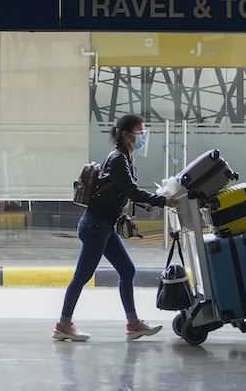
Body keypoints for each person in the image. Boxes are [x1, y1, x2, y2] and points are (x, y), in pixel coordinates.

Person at [54, 113, 178, 342]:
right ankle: (63, 325)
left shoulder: (126, 158)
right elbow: (131, 190)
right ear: (126, 135)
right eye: (139, 132)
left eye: (143, 132)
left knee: (127, 270)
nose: (143, 136)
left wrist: (158, 198)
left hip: (103, 226)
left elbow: (128, 192)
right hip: (95, 226)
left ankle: (133, 324)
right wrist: (162, 201)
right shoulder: (118, 159)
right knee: (82, 276)